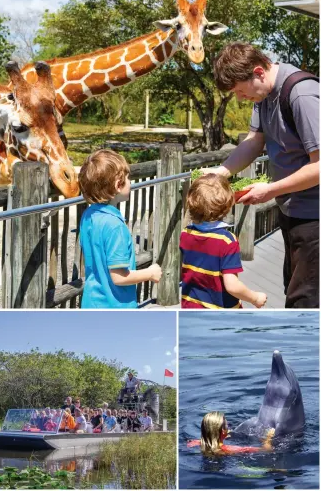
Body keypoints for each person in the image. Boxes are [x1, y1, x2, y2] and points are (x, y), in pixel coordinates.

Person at [212, 42, 319, 308]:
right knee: (293, 286)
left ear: (258, 72)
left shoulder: (301, 94)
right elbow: (253, 142)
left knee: (305, 298)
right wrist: (221, 173)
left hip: (314, 217)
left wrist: (270, 190)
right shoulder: (262, 95)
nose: (239, 98)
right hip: (291, 211)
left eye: (240, 90)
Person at [78, 149, 162, 308]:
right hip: (115, 307)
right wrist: (150, 273)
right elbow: (119, 277)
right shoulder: (114, 225)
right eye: (128, 178)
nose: (130, 181)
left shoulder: (89, 216)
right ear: (118, 185)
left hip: (92, 303)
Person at [180, 174, 267, 309]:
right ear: (226, 207)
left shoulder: (186, 234)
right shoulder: (227, 241)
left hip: (190, 307)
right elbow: (232, 286)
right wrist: (255, 298)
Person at [187, 411, 275, 455]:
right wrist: (268, 439)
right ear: (223, 431)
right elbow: (266, 451)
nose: (229, 427)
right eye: (227, 425)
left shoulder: (194, 443)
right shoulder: (230, 449)